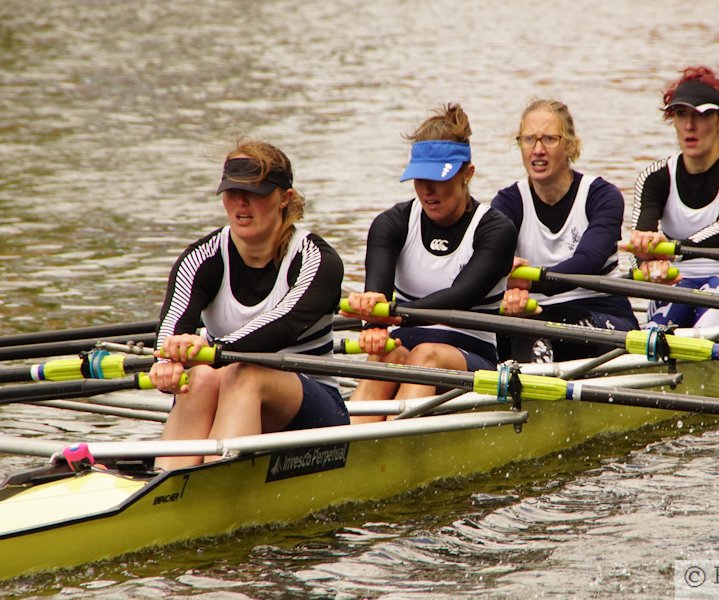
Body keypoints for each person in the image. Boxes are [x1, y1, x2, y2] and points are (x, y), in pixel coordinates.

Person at [151, 139, 348, 470]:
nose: (241, 203)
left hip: (314, 414)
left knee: (242, 374)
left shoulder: (316, 258)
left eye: (255, 193)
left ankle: (213, 486)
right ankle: (169, 483)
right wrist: (166, 360)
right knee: (198, 378)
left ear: (284, 198)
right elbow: (173, 327)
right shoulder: (202, 257)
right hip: (229, 390)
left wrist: (213, 350)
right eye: (232, 192)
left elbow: (285, 322)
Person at [342, 103, 518, 422]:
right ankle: (347, 446)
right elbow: (378, 293)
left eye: (438, 179)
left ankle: (392, 445)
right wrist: (372, 319)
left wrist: (394, 317)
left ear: (468, 173)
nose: (427, 190)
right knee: (383, 354)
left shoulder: (496, 230)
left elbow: (462, 295)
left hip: (471, 354)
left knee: (426, 354)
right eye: (420, 178)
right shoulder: (390, 223)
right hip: (404, 346)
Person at [492, 98, 639, 362]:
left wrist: (522, 280)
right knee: (502, 334)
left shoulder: (602, 197)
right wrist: (499, 272)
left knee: (548, 333)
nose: (537, 150)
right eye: (529, 140)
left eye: (549, 139)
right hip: (532, 314)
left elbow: (588, 261)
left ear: (570, 144)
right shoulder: (508, 202)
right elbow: (487, 258)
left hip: (598, 310)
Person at [628, 66, 719, 328]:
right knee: (668, 309)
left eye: (702, 115)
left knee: (713, 290)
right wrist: (646, 261)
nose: (690, 126)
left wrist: (673, 252)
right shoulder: (654, 177)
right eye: (681, 114)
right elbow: (640, 247)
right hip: (678, 286)